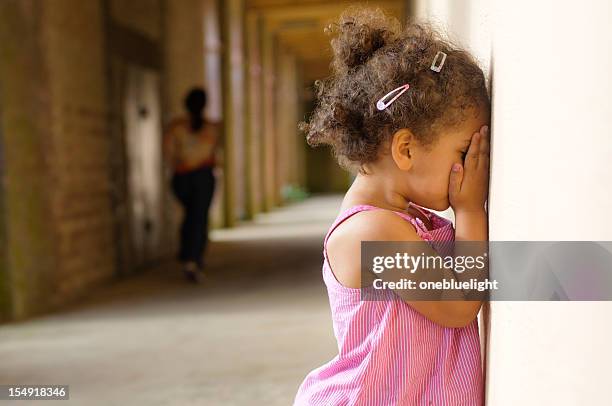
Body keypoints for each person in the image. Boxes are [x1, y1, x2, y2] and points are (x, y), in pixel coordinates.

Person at [293, 7, 490, 405]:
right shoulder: (373, 233)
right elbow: (459, 306)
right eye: (464, 151)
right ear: (405, 149)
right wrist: (470, 211)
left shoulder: (408, 217)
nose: (472, 165)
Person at [163, 87, 222, 283]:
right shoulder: (212, 128)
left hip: (183, 177)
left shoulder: (175, 127)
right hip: (203, 177)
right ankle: (193, 258)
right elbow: (214, 154)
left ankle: (188, 255)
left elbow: (169, 154)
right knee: (199, 217)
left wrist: (180, 167)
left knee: (191, 215)